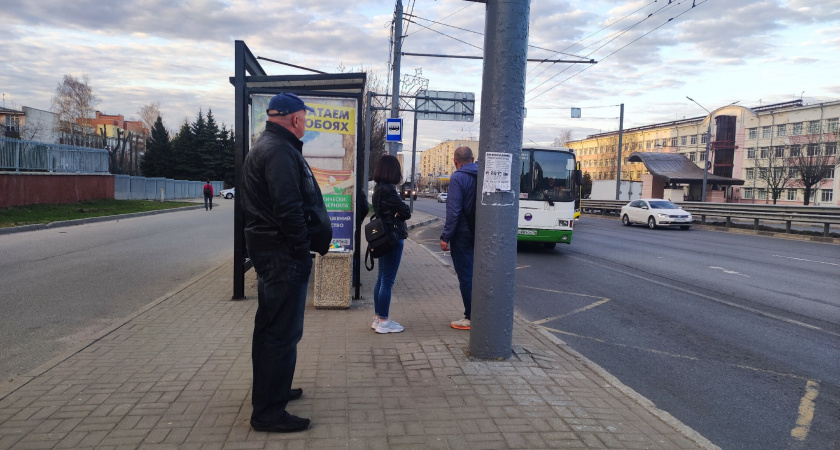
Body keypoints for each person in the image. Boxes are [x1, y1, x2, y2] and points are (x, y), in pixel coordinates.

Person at [240, 92, 332, 433]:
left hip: (271, 251)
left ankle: (272, 391)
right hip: (282, 255)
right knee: (281, 333)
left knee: (269, 328)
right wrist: (300, 248)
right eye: (304, 118)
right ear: (295, 119)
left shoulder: (267, 145)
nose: (305, 122)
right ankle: (268, 413)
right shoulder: (279, 150)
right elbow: (288, 208)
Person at [370, 155, 411, 334]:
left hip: (382, 237)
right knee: (387, 280)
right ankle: (384, 322)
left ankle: (378, 317)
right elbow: (406, 212)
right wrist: (398, 213)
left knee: (381, 278)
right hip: (393, 238)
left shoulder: (378, 188)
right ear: (393, 171)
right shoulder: (389, 190)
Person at [439, 146, 478, 330]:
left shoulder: (458, 177)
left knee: (466, 276)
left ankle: (471, 317)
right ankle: (483, 313)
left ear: (455, 162)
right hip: (482, 232)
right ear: (473, 159)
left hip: (463, 234)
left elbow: (453, 212)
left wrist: (445, 236)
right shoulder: (484, 174)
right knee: (480, 275)